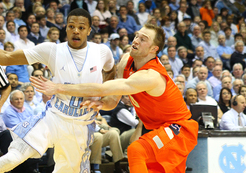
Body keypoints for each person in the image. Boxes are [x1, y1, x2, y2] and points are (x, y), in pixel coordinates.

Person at [32, 24, 199, 172]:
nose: (136, 40)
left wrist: (58, 87)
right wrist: (101, 103)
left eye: (143, 39)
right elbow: (112, 101)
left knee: (136, 150)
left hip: (178, 129)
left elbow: (103, 88)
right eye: (136, 36)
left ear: (153, 49)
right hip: (157, 128)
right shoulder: (126, 60)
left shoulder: (151, 76)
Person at [0, 8, 115, 173]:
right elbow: (6, 58)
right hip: (53, 118)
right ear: (66, 28)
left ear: (89, 30)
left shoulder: (102, 51)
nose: (76, 31)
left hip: (81, 125)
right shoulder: (52, 50)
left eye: (81, 27)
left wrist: (104, 97)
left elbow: (111, 71)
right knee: (12, 158)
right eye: (71, 26)